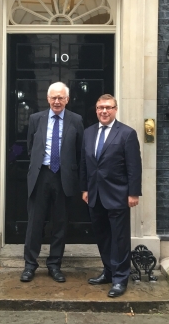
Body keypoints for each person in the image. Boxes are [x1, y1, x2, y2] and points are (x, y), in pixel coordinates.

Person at [20, 82, 84, 283]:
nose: (57, 101)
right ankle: (30, 265)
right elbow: (31, 147)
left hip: (64, 177)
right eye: (53, 98)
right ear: (48, 99)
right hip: (41, 175)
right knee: (35, 223)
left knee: (60, 223)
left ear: (67, 99)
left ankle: (54, 265)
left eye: (61, 98)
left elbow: (80, 151)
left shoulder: (76, 120)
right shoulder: (35, 119)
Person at [80, 94, 142, 298]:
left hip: (118, 195)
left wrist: (133, 193)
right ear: (96, 110)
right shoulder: (88, 133)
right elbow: (85, 164)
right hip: (95, 195)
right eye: (100, 108)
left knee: (119, 239)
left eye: (108, 107)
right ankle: (108, 272)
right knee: (103, 237)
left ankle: (120, 278)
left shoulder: (127, 133)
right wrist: (85, 189)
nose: (104, 111)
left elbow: (134, 167)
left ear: (115, 109)